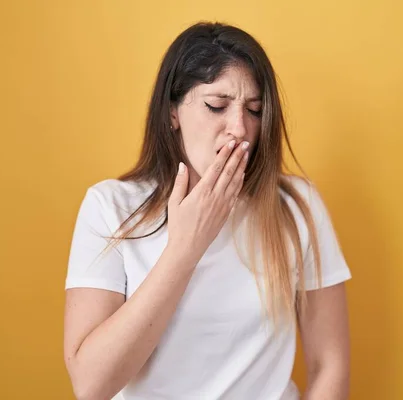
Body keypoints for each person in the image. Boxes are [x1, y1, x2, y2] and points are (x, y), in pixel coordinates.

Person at [63, 21, 352, 400]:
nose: (240, 128)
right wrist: (185, 247)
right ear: (172, 114)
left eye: (254, 110)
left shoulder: (297, 206)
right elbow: (91, 385)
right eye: (216, 106)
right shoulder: (110, 208)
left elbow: (330, 363)